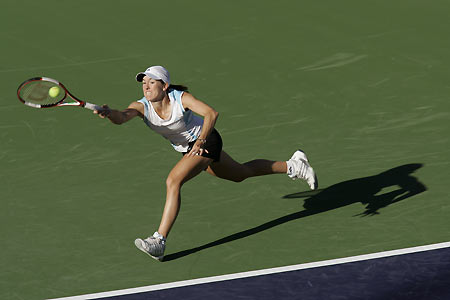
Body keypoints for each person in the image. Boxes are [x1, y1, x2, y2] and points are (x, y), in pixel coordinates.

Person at [94, 65, 318, 261]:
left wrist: (200, 141)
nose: (146, 87)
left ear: (165, 85)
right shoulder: (142, 106)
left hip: (206, 140)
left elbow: (211, 113)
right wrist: (108, 113)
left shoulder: (181, 98)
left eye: (151, 82)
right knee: (239, 173)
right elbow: (122, 116)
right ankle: (294, 165)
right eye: (144, 83)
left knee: (173, 181)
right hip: (190, 149)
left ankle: (159, 241)